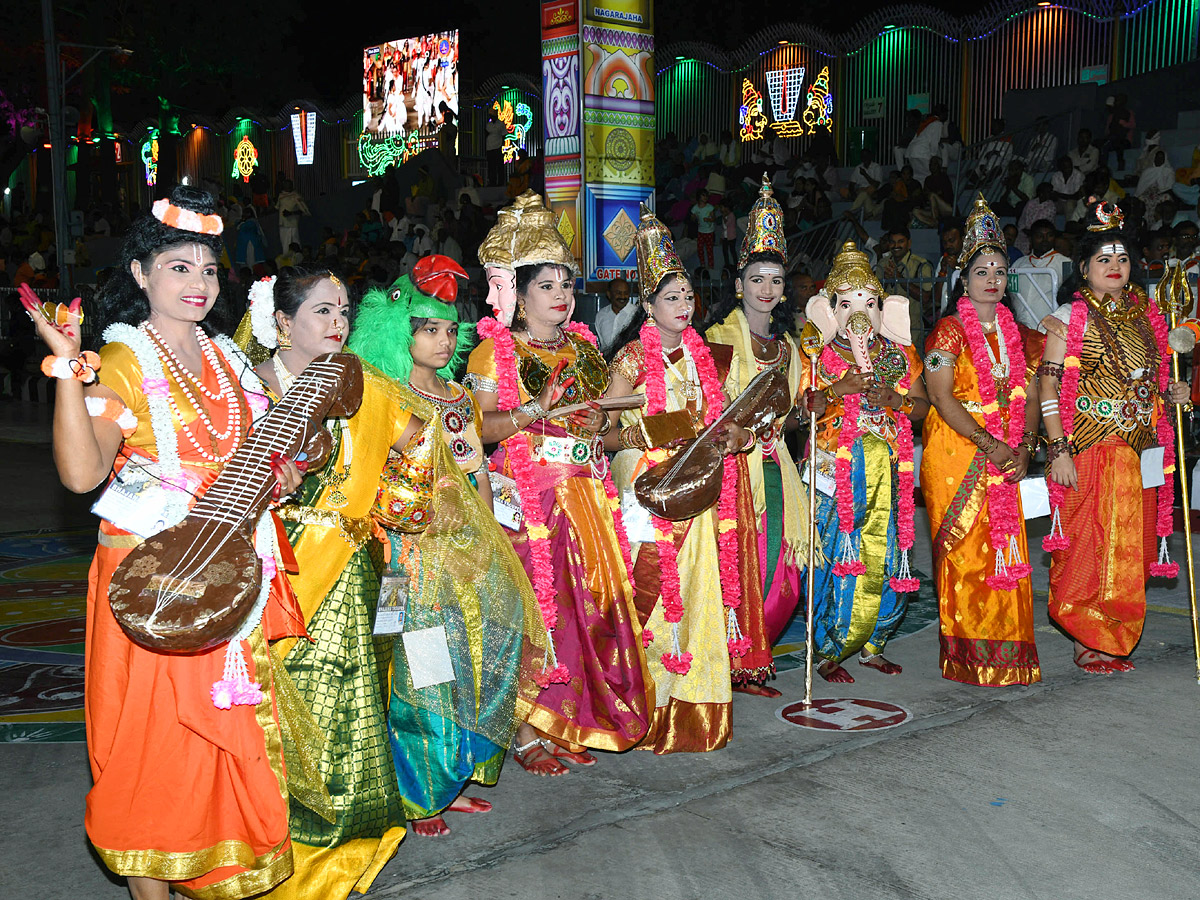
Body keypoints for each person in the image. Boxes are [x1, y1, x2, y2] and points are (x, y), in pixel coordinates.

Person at [22, 185, 305, 900]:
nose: (198, 283)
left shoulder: (228, 363)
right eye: (178, 268)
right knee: (148, 748)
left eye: (208, 269)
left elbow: (256, 459)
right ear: (142, 275)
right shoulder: (119, 363)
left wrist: (283, 473)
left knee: (213, 744)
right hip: (149, 584)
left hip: (221, 578)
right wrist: (64, 368)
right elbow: (82, 471)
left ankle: (206, 878)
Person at [236, 268, 423, 896]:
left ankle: (342, 843)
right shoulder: (251, 387)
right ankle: (271, 840)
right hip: (279, 571)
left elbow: (418, 453)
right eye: (322, 311)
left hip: (360, 566)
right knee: (278, 711)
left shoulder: (368, 385)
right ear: (283, 322)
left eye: (343, 311)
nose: (338, 322)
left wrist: (406, 491)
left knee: (356, 702)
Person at [349, 257, 537, 835]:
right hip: (405, 561)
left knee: (471, 659)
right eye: (427, 328)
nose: (442, 339)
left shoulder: (458, 396)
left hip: (466, 552)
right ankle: (417, 791)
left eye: (450, 329)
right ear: (397, 332)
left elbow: (475, 472)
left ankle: (452, 773)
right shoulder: (383, 394)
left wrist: (492, 542)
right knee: (416, 669)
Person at [467, 191, 651, 775]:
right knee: (533, 614)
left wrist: (604, 423)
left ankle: (571, 718)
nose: (562, 296)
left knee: (588, 610)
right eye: (546, 286)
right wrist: (535, 409)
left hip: (585, 494)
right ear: (518, 297)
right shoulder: (492, 353)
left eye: (566, 285)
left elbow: (599, 420)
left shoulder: (584, 346)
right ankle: (525, 732)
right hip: (528, 498)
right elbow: (477, 428)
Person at [603, 207, 754, 752]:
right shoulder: (628, 359)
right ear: (647, 306)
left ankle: (694, 707)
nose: (684, 306)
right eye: (671, 298)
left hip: (700, 487)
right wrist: (656, 438)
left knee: (696, 593)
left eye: (688, 296)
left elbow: (722, 417)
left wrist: (737, 435)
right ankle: (647, 707)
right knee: (652, 597)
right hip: (649, 488)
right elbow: (609, 433)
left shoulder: (705, 357)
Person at [1038, 200, 1189, 674]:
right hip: (1090, 448)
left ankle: (1117, 631)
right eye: (1104, 259)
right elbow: (1048, 383)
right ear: (1083, 268)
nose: (1115, 267)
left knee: (1132, 550)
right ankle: (1087, 636)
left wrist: (1173, 392)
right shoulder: (1069, 315)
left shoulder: (1149, 317)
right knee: (1090, 544)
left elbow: (1152, 381)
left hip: (1141, 450)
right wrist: (1058, 448)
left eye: (1122, 258)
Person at [922, 196, 1043, 686]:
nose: (992, 277)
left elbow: (1032, 393)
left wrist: (1025, 446)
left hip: (1009, 452)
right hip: (957, 451)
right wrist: (987, 441)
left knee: (1007, 548)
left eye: (998, 268)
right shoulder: (946, 334)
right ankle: (967, 656)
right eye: (981, 270)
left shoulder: (1023, 336)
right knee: (966, 553)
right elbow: (939, 395)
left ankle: (1009, 654)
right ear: (963, 279)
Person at [801, 241, 928, 682]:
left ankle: (874, 643)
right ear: (828, 310)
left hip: (889, 473)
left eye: (870, 303)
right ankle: (829, 649)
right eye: (848, 303)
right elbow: (803, 410)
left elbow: (921, 407)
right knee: (835, 555)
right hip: (837, 475)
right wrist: (839, 389)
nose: (860, 312)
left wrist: (896, 398)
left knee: (891, 555)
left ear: (885, 310)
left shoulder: (897, 355)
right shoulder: (817, 355)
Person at [704, 175, 810, 696]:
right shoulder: (720, 339)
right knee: (742, 565)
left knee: (782, 575)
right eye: (756, 280)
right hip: (733, 471)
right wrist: (742, 431)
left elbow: (792, 415)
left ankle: (755, 655)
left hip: (778, 468)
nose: (766, 290)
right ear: (739, 283)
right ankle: (736, 662)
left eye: (774, 280)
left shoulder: (790, 347)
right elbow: (708, 407)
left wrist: (801, 415)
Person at [876, 226, 933, 347]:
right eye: (892, 242)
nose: (896, 245)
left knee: (912, 364)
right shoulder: (883, 264)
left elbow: (926, 297)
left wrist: (899, 279)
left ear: (909, 243)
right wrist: (886, 281)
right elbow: (875, 295)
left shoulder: (920, 265)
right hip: (887, 327)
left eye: (900, 241)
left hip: (912, 328)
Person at [1009, 219, 1070, 328]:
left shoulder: (1065, 264)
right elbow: (1011, 295)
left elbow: (1070, 300)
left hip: (1050, 330)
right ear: (1031, 238)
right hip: (1020, 329)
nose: (1045, 240)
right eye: (1039, 235)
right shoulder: (1019, 263)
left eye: (1049, 235)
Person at [594, 275, 636, 353]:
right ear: (609, 294)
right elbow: (602, 347)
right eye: (618, 293)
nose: (623, 296)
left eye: (625, 293)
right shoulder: (601, 315)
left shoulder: (636, 314)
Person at [847, 147, 885, 219]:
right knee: (846, 191)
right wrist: (853, 193)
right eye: (862, 156)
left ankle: (851, 213)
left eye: (866, 156)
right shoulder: (858, 168)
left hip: (872, 191)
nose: (864, 158)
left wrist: (865, 174)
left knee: (866, 191)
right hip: (862, 192)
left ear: (870, 156)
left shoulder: (876, 167)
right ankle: (854, 212)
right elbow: (851, 183)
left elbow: (876, 185)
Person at [276, 179, 311, 253]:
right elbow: (277, 207)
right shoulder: (281, 196)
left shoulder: (296, 196)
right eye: (285, 185)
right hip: (283, 224)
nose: (287, 187)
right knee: (285, 245)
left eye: (289, 185)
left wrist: (291, 213)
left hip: (292, 224)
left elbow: (304, 211)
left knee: (295, 243)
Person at [691, 189, 717, 271]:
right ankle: (702, 264)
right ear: (699, 197)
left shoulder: (710, 207)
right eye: (703, 195)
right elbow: (692, 219)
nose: (705, 197)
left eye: (706, 196)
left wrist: (709, 220)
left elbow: (713, 218)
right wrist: (693, 218)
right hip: (700, 231)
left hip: (709, 231)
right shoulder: (695, 208)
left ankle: (711, 265)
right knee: (700, 249)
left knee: (709, 249)